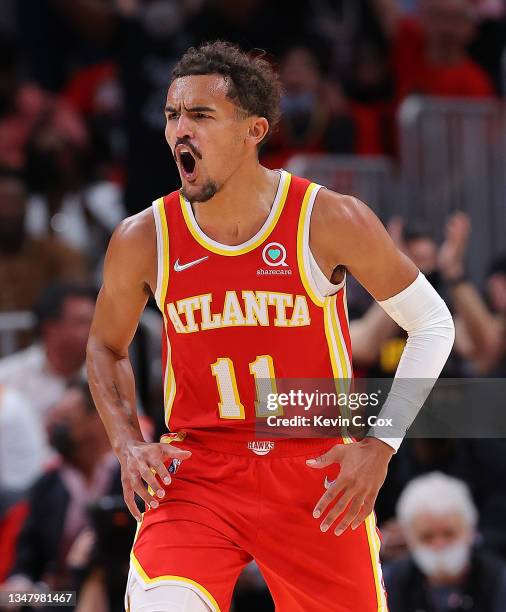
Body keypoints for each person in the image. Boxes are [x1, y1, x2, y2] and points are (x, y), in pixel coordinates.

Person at [86, 41, 455, 612]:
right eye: (172, 115)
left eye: (201, 115)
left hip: (312, 471)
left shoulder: (328, 217)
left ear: (254, 130)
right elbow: (105, 346)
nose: (180, 130)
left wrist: (379, 448)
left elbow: (433, 324)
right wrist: (128, 444)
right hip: (199, 468)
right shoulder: (145, 237)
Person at [2, 382, 121, 596]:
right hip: (59, 598)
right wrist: (20, 584)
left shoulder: (129, 478)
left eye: (65, 421)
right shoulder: (46, 485)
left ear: (97, 421)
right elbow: (27, 558)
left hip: (117, 594)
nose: (54, 428)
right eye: (55, 419)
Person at [385, 472, 506, 612]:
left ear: (469, 531)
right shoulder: (391, 584)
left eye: (449, 534)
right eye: (427, 536)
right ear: (410, 538)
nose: (439, 545)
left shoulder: (498, 581)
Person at [0, 283, 95, 420]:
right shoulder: (7, 379)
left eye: (95, 321)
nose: (95, 330)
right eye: (83, 322)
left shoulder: (111, 377)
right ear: (50, 328)